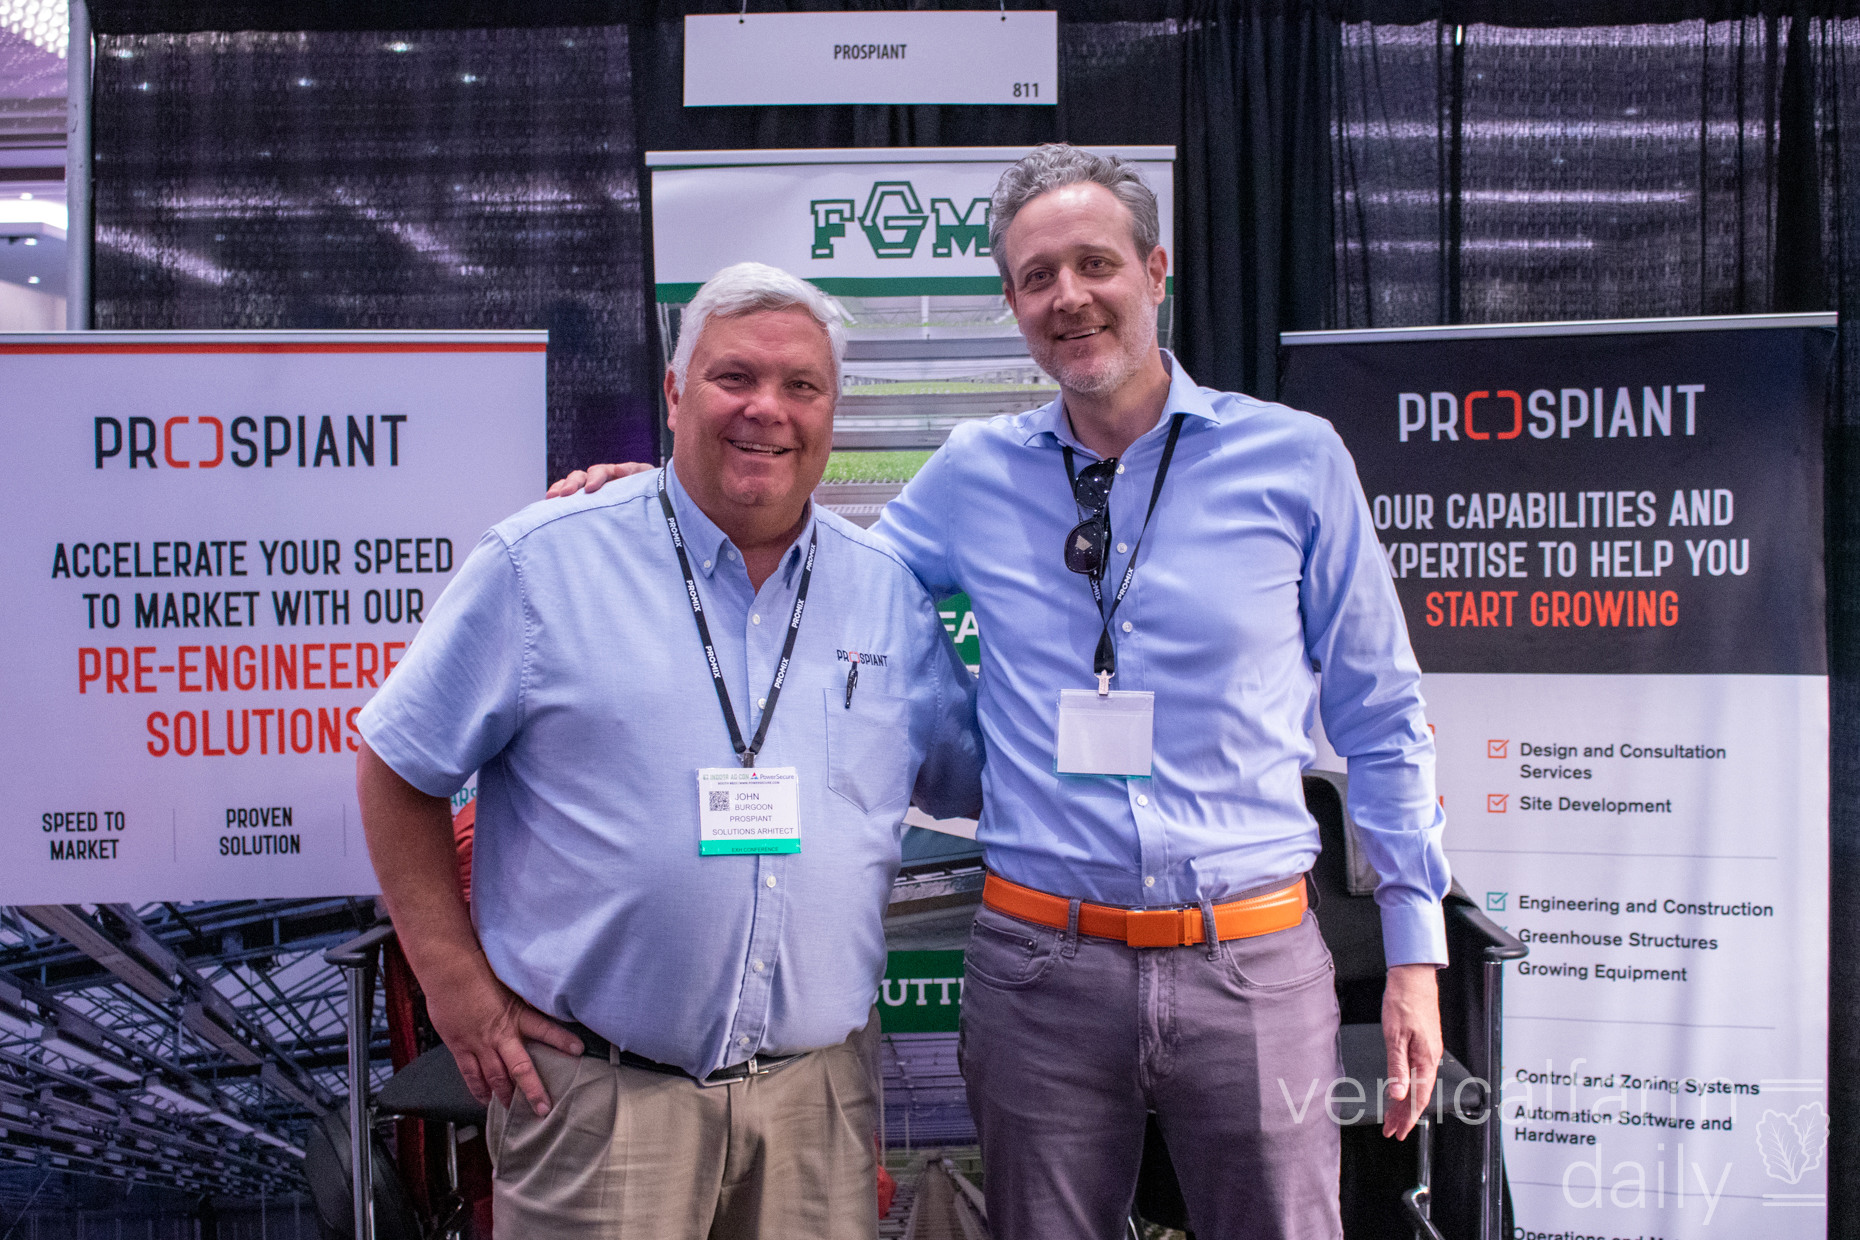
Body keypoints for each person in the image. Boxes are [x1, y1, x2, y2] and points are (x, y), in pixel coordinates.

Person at [555, 145, 1449, 1240]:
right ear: (1015, 305)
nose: (1068, 296)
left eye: (1095, 264)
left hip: (1252, 965)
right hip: (1041, 976)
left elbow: (1382, 714)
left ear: (1155, 271)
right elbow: (821, 568)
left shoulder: (1295, 461)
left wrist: (1414, 958)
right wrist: (660, 505)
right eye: (1036, 277)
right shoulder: (974, 472)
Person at [357, 261, 982, 1239]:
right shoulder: (544, 563)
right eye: (735, 377)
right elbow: (397, 764)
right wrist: (454, 985)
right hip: (600, 1108)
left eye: (801, 385)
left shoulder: (884, 594)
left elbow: (978, 776)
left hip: (815, 1108)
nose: (768, 408)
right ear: (676, 392)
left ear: (832, 410)